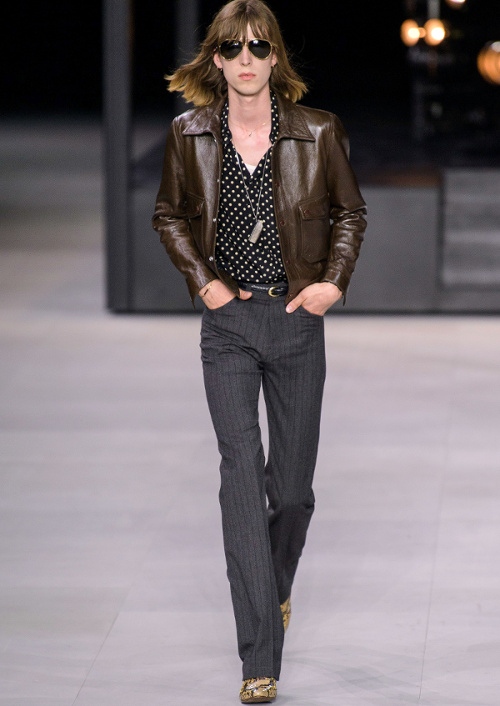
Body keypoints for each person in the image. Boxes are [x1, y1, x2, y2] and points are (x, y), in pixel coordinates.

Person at [152, 0, 367, 701]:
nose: (246, 60)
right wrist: (203, 283)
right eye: (232, 48)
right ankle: (259, 660)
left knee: (293, 493)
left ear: (276, 55)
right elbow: (168, 214)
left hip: (297, 320)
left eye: (258, 47)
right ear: (215, 59)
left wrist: (333, 283)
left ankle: (273, 587)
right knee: (240, 478)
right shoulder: (189, 133)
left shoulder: (318, 130)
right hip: (229, 326)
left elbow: (350, 211)